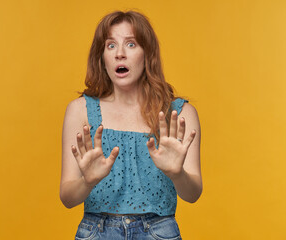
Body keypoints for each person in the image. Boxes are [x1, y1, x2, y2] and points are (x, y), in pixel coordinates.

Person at [60, 10, 202, 240]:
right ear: (102, 57)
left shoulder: (179, 114)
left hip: (159, 232)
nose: (120, 54)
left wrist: (177, 174)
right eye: (111, 46)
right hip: (96, 232)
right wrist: (88, 182)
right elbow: (67, 198)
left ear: (148, 54)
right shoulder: (80, 110)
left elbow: (193, 194)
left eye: (131, 44)